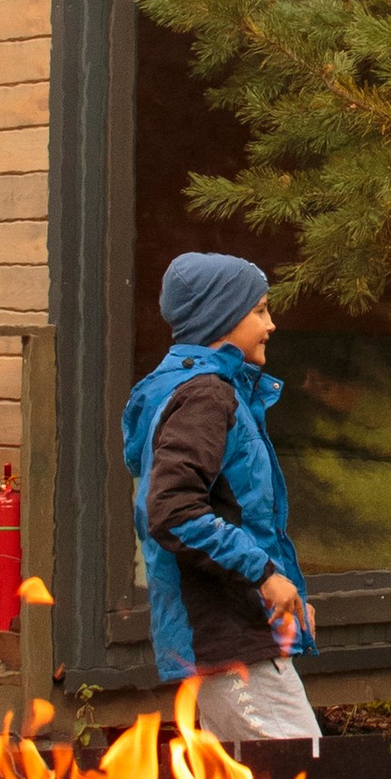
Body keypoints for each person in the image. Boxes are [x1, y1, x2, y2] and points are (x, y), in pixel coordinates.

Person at [122, 252, 318, 748]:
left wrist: (285, 586)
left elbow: (241, 512)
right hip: (226, 636)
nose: (271, 324)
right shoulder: (207, 396)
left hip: (238, 631)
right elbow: (173, 510)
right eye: (259, 311)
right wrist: (264, 575)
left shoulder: (209, 390)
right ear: (221, 318)